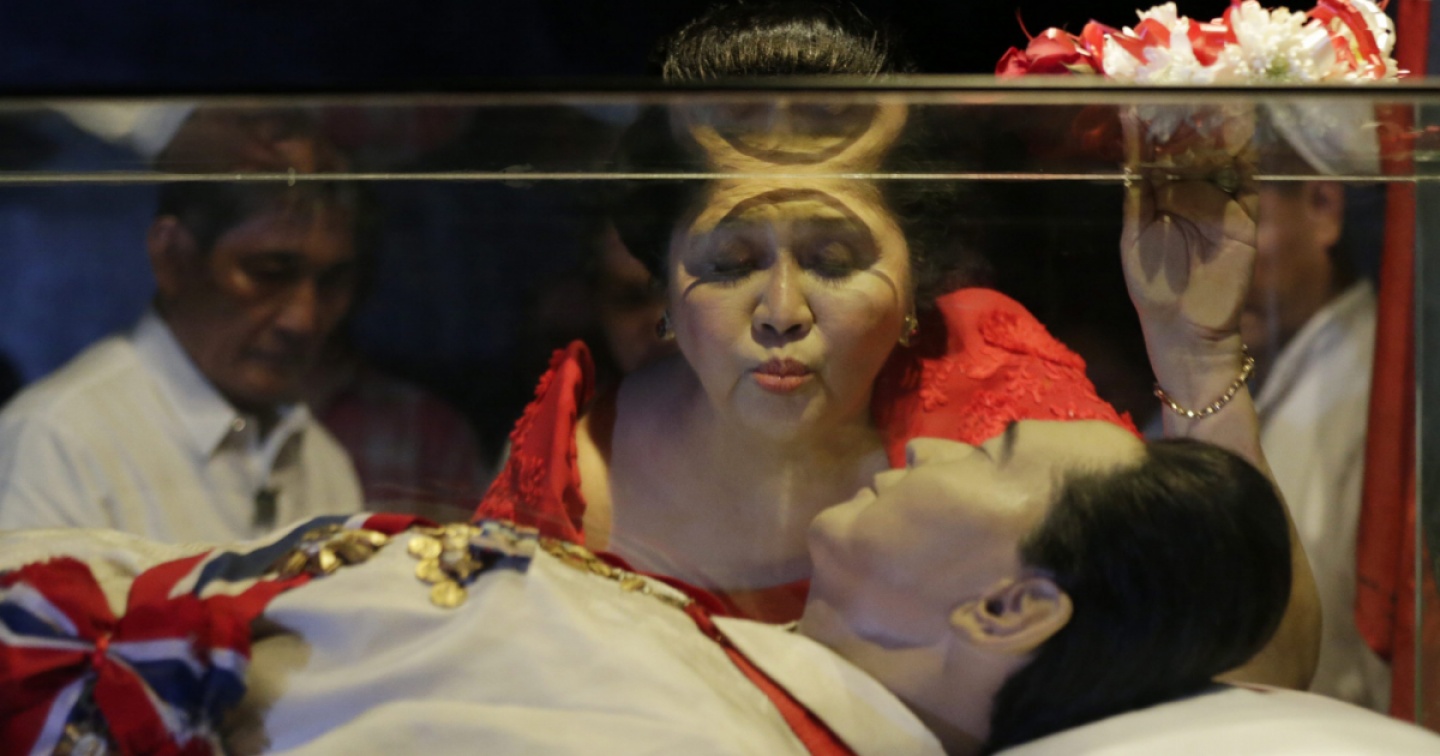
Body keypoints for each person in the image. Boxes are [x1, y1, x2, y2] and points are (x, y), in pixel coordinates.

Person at [478, 0, 1319, 689]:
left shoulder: (988, 394)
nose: (781, 311)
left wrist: (1195, 351)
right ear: (663, 285)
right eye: (729, 264)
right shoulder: (575, 469)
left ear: (916, 285)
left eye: (835, 260)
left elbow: (1259, 665)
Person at [3, 423, 1429, 754]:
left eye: (994, 455)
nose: (931, 441)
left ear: (1007, 610)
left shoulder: (692, 737)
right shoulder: (719, 666)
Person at [0, 109, 364, 541]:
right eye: (268, 273)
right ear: (173, 257)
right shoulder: (59, 442)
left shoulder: (322, 464)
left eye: (332, 282)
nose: (302, 320)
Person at [1246, 176, 1386, 709]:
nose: (1203, 257)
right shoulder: (1265, 373)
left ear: (1322, 206)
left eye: (1237, 214)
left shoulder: (1373, 394)